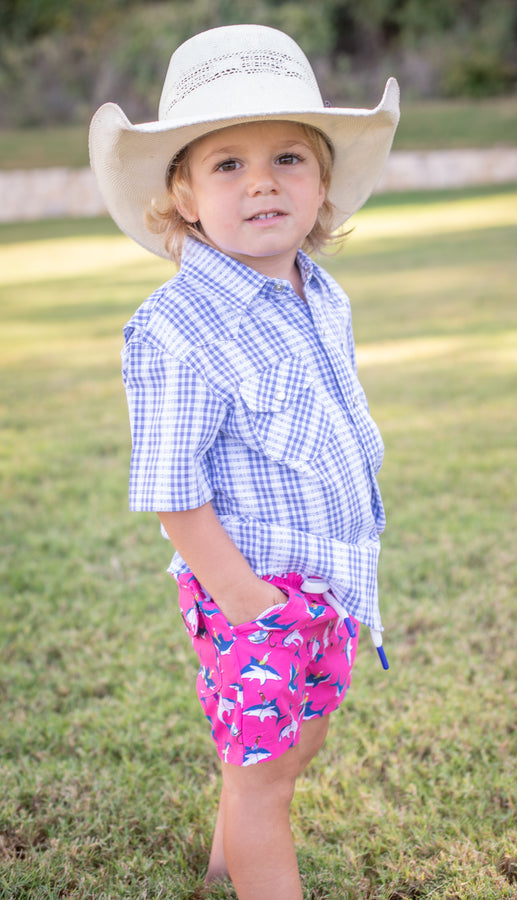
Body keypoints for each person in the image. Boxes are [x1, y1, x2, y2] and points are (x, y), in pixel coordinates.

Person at [89, 23, 399, 900]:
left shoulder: (316, 289)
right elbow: (171, 491)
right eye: (227, 164)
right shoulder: (180, 328)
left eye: (289, 158)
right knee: (263, 776)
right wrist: (248, 601)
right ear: (182, 195)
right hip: (252, 587)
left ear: (322, 183)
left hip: (326, 572)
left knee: (299, 741)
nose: (262, 179)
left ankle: (223, 865)